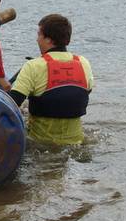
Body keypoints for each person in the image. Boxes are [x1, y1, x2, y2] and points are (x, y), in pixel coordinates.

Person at [8, 14, 94, 146]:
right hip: (77, 142)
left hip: (40, 144)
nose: (37, 40)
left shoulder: (33, 66)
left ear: (48, 39)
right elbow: (78, 95)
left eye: (39, 35)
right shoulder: (84, 63)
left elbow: (11, 104)